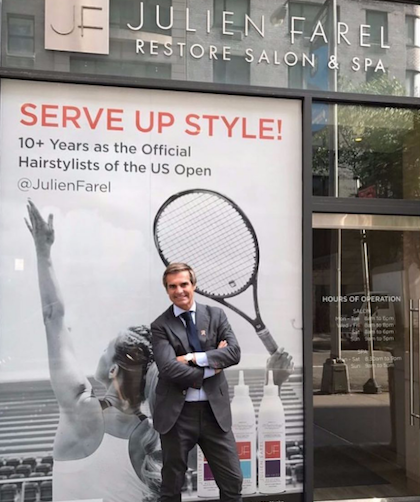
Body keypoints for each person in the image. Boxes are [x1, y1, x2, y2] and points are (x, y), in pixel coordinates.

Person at [25, 200, 161, 502]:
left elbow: (53, 317)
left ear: (113, 370)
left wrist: (43, 252)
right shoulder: (151, 436)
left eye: (105, 348)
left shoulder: (79, 409)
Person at [151, 262, 243, 502]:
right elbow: (168, 368)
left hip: (214, 414)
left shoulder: (216, 315)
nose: (179, 290)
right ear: (167, 290)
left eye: (184, 284)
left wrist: (193, 358)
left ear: (193, 285)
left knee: (233, 481)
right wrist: (213, 366)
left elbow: (233, 353)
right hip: (177, 416)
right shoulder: (160, 325)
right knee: (171, 487)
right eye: (172, 286)